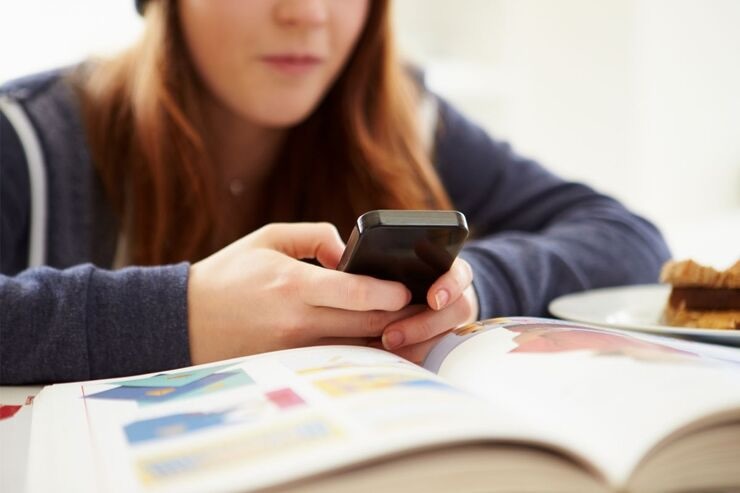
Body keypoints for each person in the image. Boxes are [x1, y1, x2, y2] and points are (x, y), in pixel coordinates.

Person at [0, 0, 670, 384]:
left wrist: (469, 288)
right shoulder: (27, 140)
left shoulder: (407, 117)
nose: (308, 13)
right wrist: (181, 315)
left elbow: (627, 238)